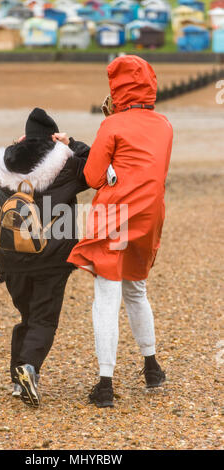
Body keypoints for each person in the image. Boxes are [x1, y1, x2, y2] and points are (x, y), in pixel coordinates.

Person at [68, 56, 173, 408]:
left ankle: (105, 384)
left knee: (106, 299)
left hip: (115, 217)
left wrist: (106, 131)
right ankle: (152, 368)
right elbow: (145, 167)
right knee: (137, 291)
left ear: (118, 90)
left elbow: (93, 177)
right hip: (149, 216)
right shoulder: (164, 125)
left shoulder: (112, 126)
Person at [0, 108, 89, 407]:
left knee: (28, 315)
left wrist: (16, 147)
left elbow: (11, 160)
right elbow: (97, 168)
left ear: (24, 138)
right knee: (44, 318)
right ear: (53, 137)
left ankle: (17, 381)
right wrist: (72, 145)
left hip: (10, 254)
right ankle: (28, 367)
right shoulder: (68, 164)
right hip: (52, 255)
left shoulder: (1, 168)